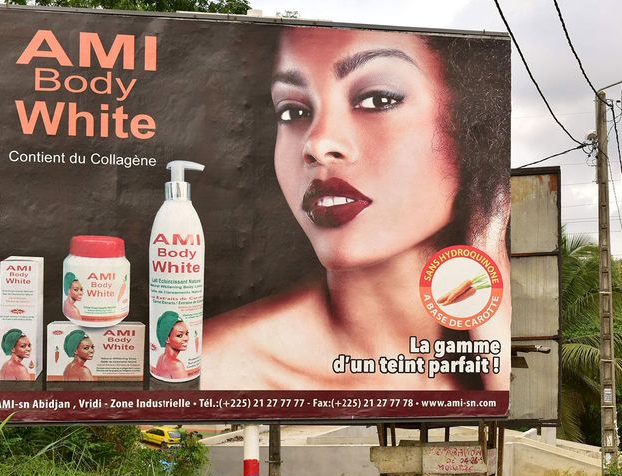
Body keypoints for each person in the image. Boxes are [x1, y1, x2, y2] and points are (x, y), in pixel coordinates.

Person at [202, 24, 511, 392]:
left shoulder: (492, 364)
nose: (317, 144)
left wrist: (495, 337)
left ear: (473, 126)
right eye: (292, 111)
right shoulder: (215, 367)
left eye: (378, 99)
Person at [152, 312, 190, 380]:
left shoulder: (161, 358)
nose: (186, 339)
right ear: (167, 339)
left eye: (187, 333)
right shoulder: (177, 365)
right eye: (179, 335)